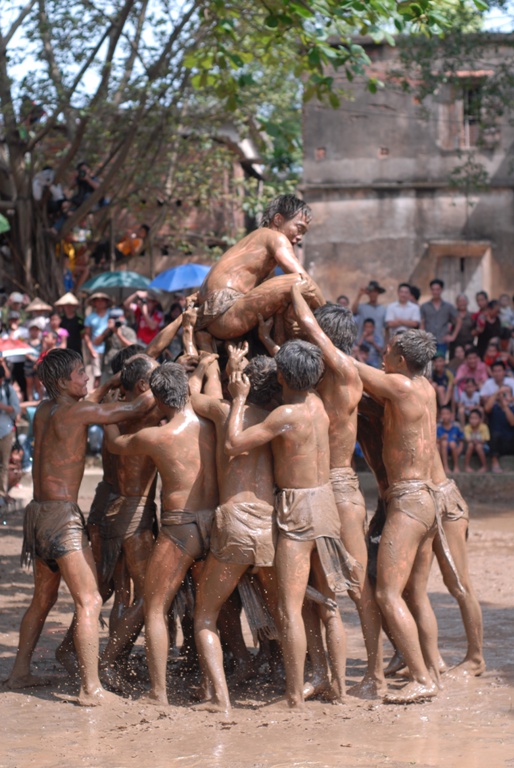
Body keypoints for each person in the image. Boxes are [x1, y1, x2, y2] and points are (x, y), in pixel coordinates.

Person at [5, 348, 153, 705]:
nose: (87, 379)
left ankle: (19, 671)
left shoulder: (43, 410)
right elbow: (133, 409)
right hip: (61, 518)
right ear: (62, 382)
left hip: (37, 513)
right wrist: (154, 382)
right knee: (89, 599)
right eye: (81, 373)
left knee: (43, 597)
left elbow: (91, 400)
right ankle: (91, 689)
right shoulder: (79, 411)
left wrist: (110, 382)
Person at [225, 340, 349, 709]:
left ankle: (294, 696)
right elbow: (303, 368)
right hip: (325, 502)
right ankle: (337, 689)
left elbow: (234, 443)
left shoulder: (283, 415)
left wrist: (236, 397)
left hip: (297, 507)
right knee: (328, 606)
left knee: (290, 607)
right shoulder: (319, 406)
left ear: (281, 375)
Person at [104, 362, 218, 705]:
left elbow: (116, 445)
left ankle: (158, 693)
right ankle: (213, 689)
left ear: (159, 401)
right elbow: (201, 387)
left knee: (154, 605)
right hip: (214, 524)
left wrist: (110, 411)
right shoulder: (212, 421)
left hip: (180, 528)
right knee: (207, 611)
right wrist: (206, 364)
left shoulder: (158, 436)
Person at [291, 285, 385, 699]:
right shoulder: (313, 377)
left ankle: (377, 674)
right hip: (312, 491)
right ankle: (321, 674)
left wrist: (295, 291)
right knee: (316, 592)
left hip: (342, 488)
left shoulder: (347, 372)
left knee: (359, 588)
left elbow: (311, 326)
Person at [340, 329, 441, 703]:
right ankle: (432, 671)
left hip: (409, 501)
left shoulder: (401, 387)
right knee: (414, 593)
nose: (382, 355)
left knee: (385, 593)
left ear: (401, 361)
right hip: (425, 500)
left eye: (388, 352)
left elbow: (348, 364)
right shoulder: (424, 386)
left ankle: (422, 679)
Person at [190, 348, 281, 715]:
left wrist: (205, 365)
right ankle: (292, 690)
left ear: (240, 385)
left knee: (205, 615)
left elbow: (193, 397)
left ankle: (220, 701)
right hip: (270, 524)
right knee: (285, 612)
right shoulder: (280, 418)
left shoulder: (226, 412)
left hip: (236, 524)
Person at [100, 354, 161, 684]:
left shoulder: (114, 408)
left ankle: (115, 662)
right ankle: (108, 660)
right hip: (133, 511)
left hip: (117, 506)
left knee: (124, 591)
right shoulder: (144, 410)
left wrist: (112, 382)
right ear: (142, 385)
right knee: (150, 594)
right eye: (154, 376)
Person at [194, 194, 324, 340]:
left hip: (213, 316)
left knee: (284, 301)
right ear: (278, 220)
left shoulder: (254, 241)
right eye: (299, 228)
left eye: (303, 233)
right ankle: (328, 321)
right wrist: (326, 311)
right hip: (225, 313)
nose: (300, 236)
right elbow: (303, 279)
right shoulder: (275, 237)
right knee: (298, 283)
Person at [0, 364, 21, 508]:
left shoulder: (8, 390)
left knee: (4, 464)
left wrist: (2, 406)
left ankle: (2, 493)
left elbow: (16, 409)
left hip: (6, 431)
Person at [420, 279, 457, 358]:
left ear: (441, 290)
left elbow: (459, 320)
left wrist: (453, 336)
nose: (435, 292)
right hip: (429, 341)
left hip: (442, 341)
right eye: (433, 290)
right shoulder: (425, 306)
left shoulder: (448, 306)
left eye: (437, 289)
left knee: (440, 363)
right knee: (428, 365)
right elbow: (422, 323)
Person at [483, 383, 514, 473]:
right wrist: (497, 393)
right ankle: (494, 462)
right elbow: (486, 409)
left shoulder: (512, 408)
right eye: (502, 393)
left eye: (506, 393)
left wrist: (505, 406)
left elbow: (512, 422)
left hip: (511, 441)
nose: (504, 395)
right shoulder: (494, 407)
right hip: (497, 442)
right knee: (494, 435)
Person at [100, 308, 137, 383]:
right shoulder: (108, 331)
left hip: (124, 368)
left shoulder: (129, 331)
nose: (115, 320)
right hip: (108, 367)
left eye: (117, 318)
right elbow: (96, 342)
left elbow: (133, 347)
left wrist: (118, 334)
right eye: (113, 318)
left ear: (122, 317)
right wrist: (107, 331)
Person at [83, 293, 112, 388]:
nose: (100, 302)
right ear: (94, 303)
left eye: (102, 300)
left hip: (110, 348)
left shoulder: (112, 314)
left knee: (108, 374)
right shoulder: (90, 317)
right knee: (97, 375)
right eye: (97, 300)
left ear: (106, 302)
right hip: (96, 348)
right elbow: (87, 335)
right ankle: (96, 397)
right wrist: (91, 349)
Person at [351, 280, 387, 348]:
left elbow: (386, 328)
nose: (373, 294)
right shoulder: (362, 307)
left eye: (375, 291)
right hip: (362, 343)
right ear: (368, 293)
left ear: (378, 293)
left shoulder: (383, 309)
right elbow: (353, 311)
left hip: (377, 344)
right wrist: (359, 295)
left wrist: (385, 344)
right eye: (371, 291)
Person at [437, 405, 464, 474]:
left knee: (452, 443)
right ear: (440, 415)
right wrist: (441, 439)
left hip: (454, 448)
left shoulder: (456, 425)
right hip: (442, 448)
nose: (445, 416)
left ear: (451, 415)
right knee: (444, 442)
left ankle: (456, 466)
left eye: (447, 414)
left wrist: (459, 449)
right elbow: (435, 441)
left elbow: (461, 440)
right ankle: (445, 467)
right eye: (443, 414)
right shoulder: (438, 426)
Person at [463, 409, 490, 473]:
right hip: (471, 447)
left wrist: (476, 441)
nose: (473, 420)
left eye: (476, 418)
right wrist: (474, 441)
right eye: (471, 418)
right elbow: (467, 439)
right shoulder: (467, 427)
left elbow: (485, 439)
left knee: (478, 446)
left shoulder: (484, 427)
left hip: (483, 447)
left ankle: (484, 466)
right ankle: (466, 466)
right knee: (470, 445)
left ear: (480, 419)